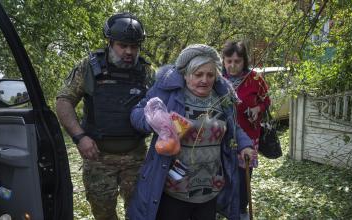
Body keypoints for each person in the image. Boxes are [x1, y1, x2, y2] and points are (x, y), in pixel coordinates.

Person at [128, 44, 255, 220]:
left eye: (210, 75)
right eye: (198, 74)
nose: (205, 79)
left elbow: (234, 127)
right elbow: (137, 113)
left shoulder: (222, 98)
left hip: (209, 189)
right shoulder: (170, 94)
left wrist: (245, 145)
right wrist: (154, 121)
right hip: (174, 190)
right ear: (186, 75)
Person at [55, 13, 153, 220]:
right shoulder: (89, 67)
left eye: (134, 46)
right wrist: (80, 137)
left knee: (140, 214)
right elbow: (64, 101)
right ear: (110, 43)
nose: (129, 51)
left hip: (136, 158)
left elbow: (161, 105)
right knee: (103, 214)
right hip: (98, 157)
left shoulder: (146, 71)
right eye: (122, 45)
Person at [221, 41, 271, 220]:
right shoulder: (218, 80)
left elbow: (266, 101)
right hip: (223, 138)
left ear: (244, 61)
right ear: (223, 61)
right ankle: (222, 208)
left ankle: (241, 210)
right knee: (223, 177)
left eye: (237, 61)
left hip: (248, 138)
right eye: (229, 61)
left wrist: (258, 109)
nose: (232, 66)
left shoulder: (255, 78)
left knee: (243, 180)